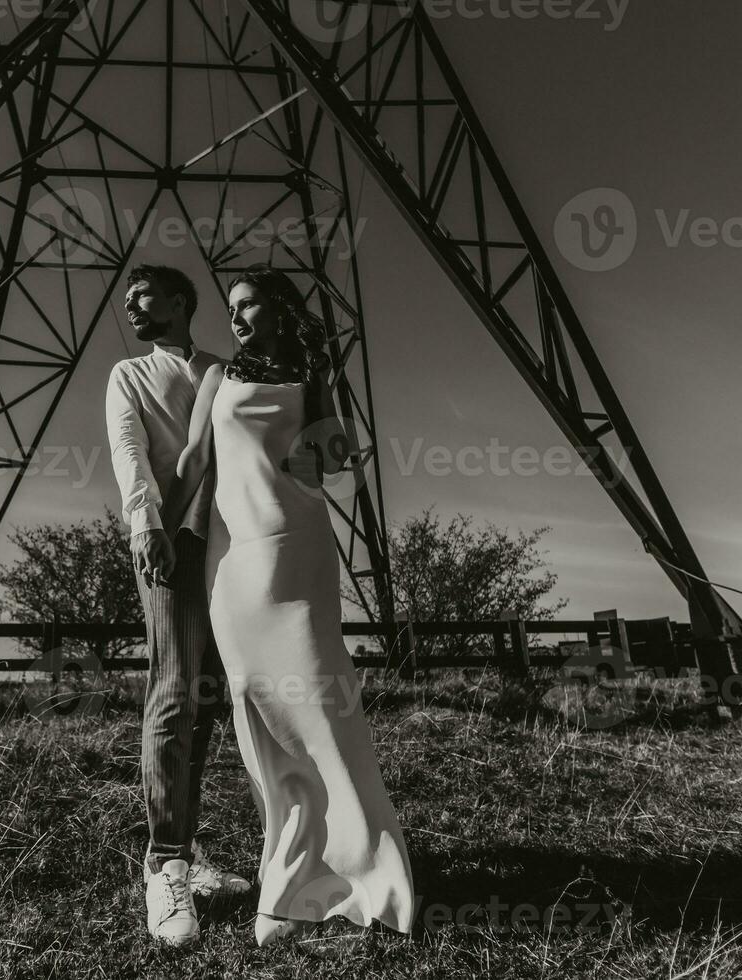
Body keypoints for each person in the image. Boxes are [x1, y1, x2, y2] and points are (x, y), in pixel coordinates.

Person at [158, 265, 416, 946]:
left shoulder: (311, 377)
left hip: (295, 550)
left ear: (281, 311)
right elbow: (193, 462)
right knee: (262, 719)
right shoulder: (219, 376)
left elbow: (332, 463)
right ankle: (290, 881)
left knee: (320, 709)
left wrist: (327, 390)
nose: (236, 316)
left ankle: (363, 872)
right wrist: (154, 525)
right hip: (232, 560)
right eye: (232, 307)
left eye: (248, 305)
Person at [104, 264, 252, 947]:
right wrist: (146, 524)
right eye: (129, 299)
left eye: (144, 295)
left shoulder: (228, 368)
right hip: (170, 541)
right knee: (173, 693)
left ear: (181, 302)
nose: (132, 305)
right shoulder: (128, 376)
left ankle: (187, 854)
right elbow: (131, 454)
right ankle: (163, 862)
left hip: (239, 548)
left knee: (213, 698)